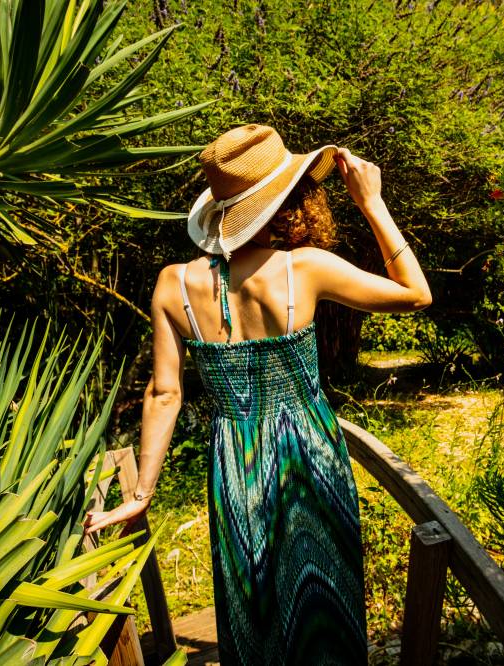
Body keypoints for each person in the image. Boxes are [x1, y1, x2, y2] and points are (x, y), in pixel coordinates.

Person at [83, 124, 431, 665]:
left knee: (252, 609)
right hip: (308, 456)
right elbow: (415, 293)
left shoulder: (172, 284)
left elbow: (164, 394)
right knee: (325, 602)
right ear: (283, 199)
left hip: (233, 462)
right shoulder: (305, 269)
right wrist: (373, 203)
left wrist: (142, 492)